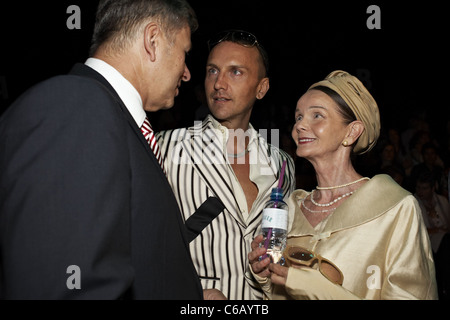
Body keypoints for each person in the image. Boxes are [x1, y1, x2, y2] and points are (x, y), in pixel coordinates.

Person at [0, 0, 203, 299]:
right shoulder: (76, 104)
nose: (186, 73)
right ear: (153, 40)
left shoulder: (112, 118)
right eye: (185, 52)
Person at [249, 70, 438, 300]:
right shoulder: (288, 209)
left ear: (352, 131)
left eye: (317, 115)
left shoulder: (395, 208)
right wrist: (266, 275)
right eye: (298, 117)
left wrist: (319, 290)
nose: (300, 126)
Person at [157, 30, 296, 299]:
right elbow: (137, 242)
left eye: (235, 72)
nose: (219, 83)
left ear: (261, 88)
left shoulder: (283, 165)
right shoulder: (168, 147)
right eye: (212, 71)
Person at [415, 172, 450, 299]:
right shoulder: (414, 202)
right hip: (424, 242)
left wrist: (438, 229)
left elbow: (447, 224)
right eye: (418, 187)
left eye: (424, 188)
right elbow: (419, 229)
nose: (420, 191)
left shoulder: (442, 201)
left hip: (442, 241)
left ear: (432, 188)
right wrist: (436, 229)